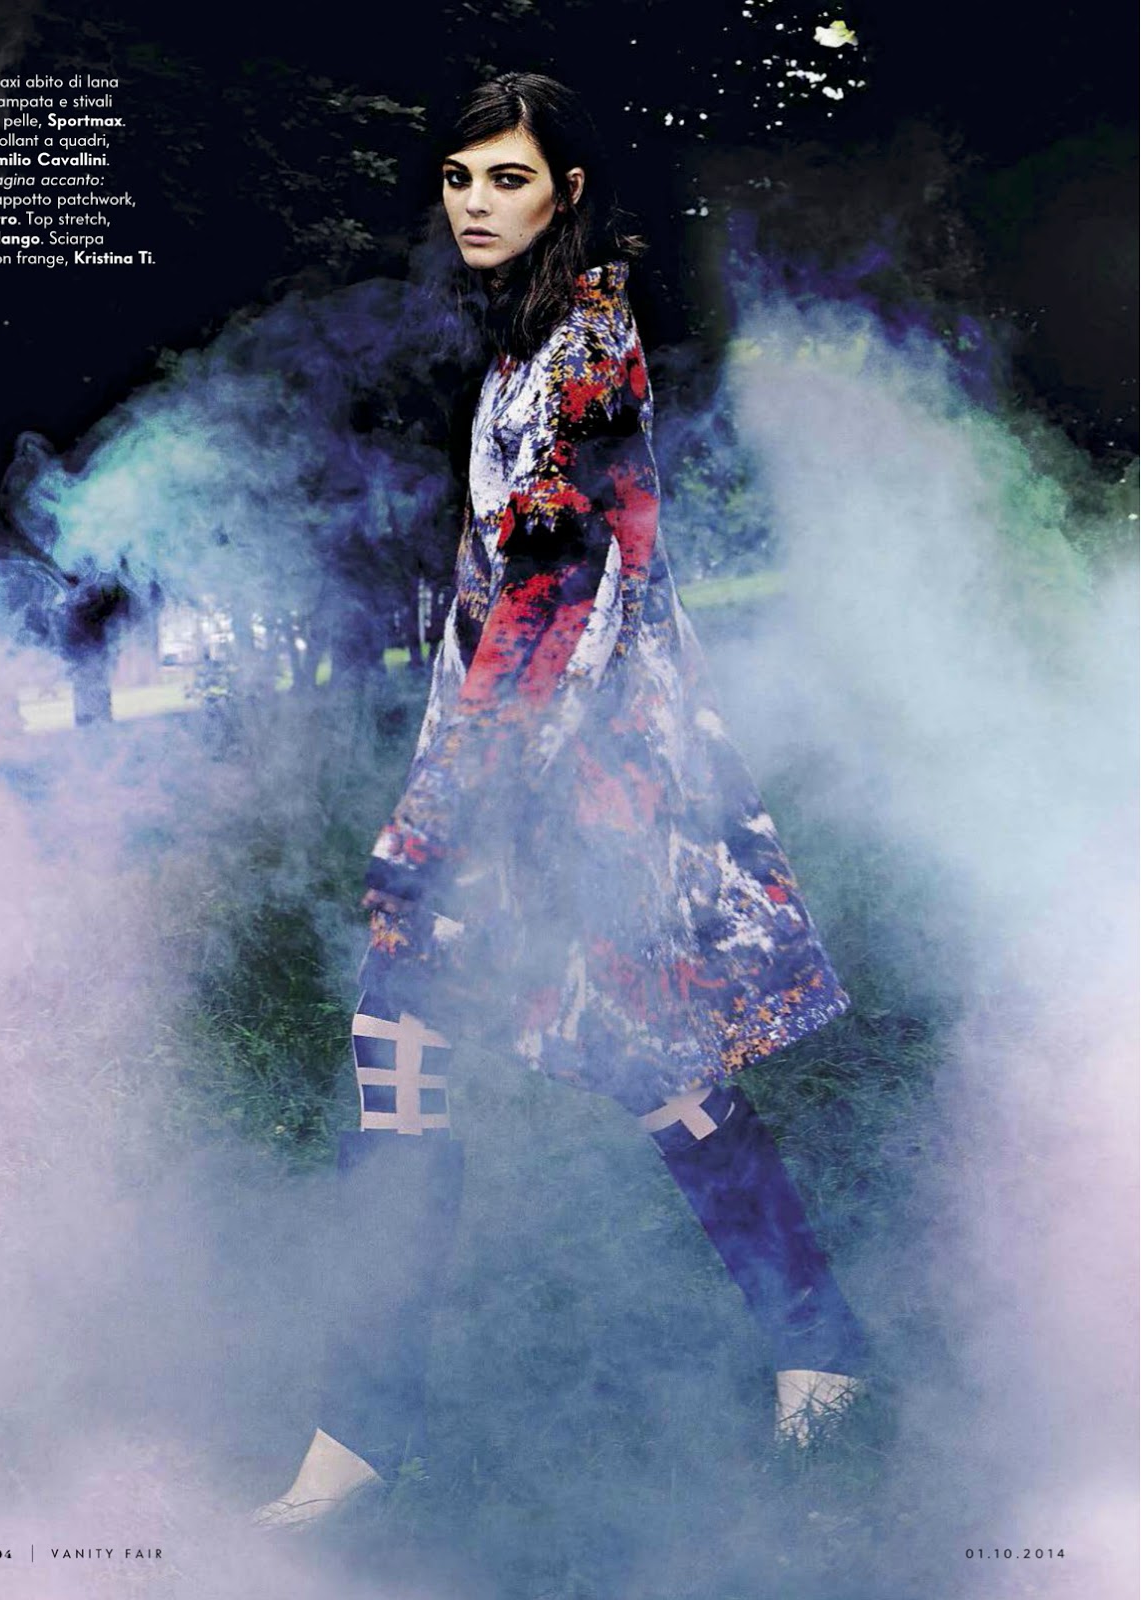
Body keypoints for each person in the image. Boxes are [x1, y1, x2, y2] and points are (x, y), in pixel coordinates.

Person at [254, 71, 870, 1530]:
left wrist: (438, 821)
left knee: (588, 1057)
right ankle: (372, 1425)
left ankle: (812, 1347)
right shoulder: (531, 335)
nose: (475, 202)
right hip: (526, 769)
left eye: (509, 176)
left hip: (573, 787)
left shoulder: (589, 343)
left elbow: (555, 589)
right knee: (535, 1057)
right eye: (459, 176)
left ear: (569, 189)